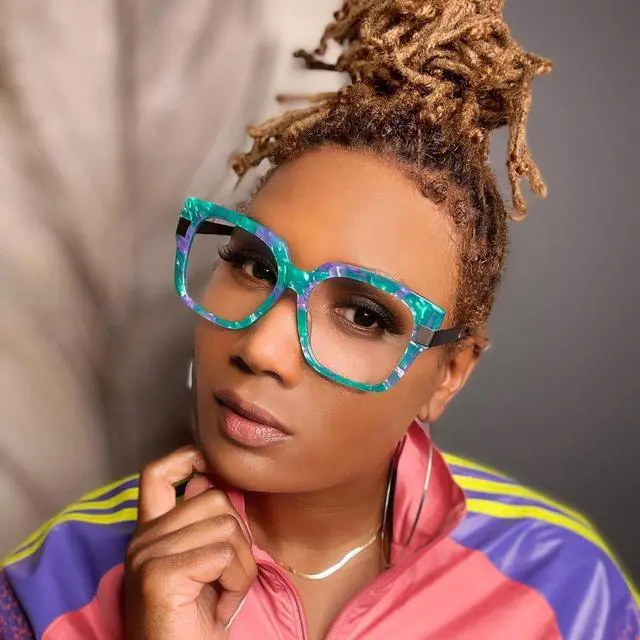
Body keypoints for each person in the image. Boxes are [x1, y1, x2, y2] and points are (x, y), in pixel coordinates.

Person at [1, 1, 638, 638]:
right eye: (253, 265)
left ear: (449, 373)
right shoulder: (44, 591)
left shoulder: (568, 592)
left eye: (362, 314)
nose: (262, 349)